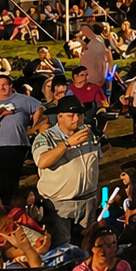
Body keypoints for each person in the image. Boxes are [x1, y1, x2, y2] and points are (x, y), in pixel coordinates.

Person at [31, 98, 102, 244]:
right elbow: (42, 162)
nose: (76, 119)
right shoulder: (46, 137)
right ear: (60, 116)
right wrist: (67, 144)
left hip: (88, 202)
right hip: (59, 204)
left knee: (88, 245)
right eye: (71, 115)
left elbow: (102, 151)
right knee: (62, 246)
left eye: (79, 115)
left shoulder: (89, 134)